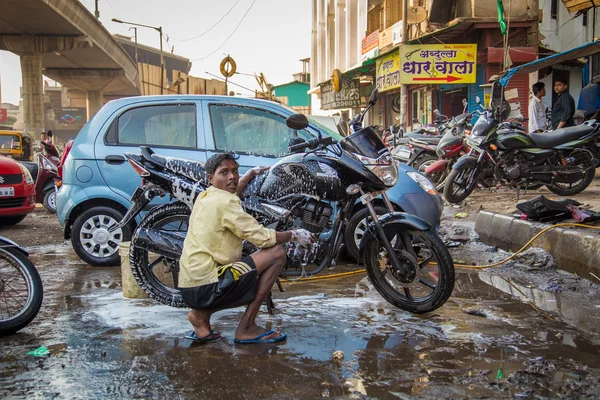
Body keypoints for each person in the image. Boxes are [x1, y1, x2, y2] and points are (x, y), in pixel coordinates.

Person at [178, 153, 314, 344]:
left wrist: (250, 174)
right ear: (211, 178)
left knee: (244, 268)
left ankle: (200, 316)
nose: (232, 177)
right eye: (224, 173)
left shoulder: (206, 195)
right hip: (208, 286)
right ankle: (246, 327)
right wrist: (294, 235)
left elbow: (232, 193)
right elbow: (262, 238)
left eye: (234, 171)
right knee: (277, 253)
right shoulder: (227, 203)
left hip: (190, 287)